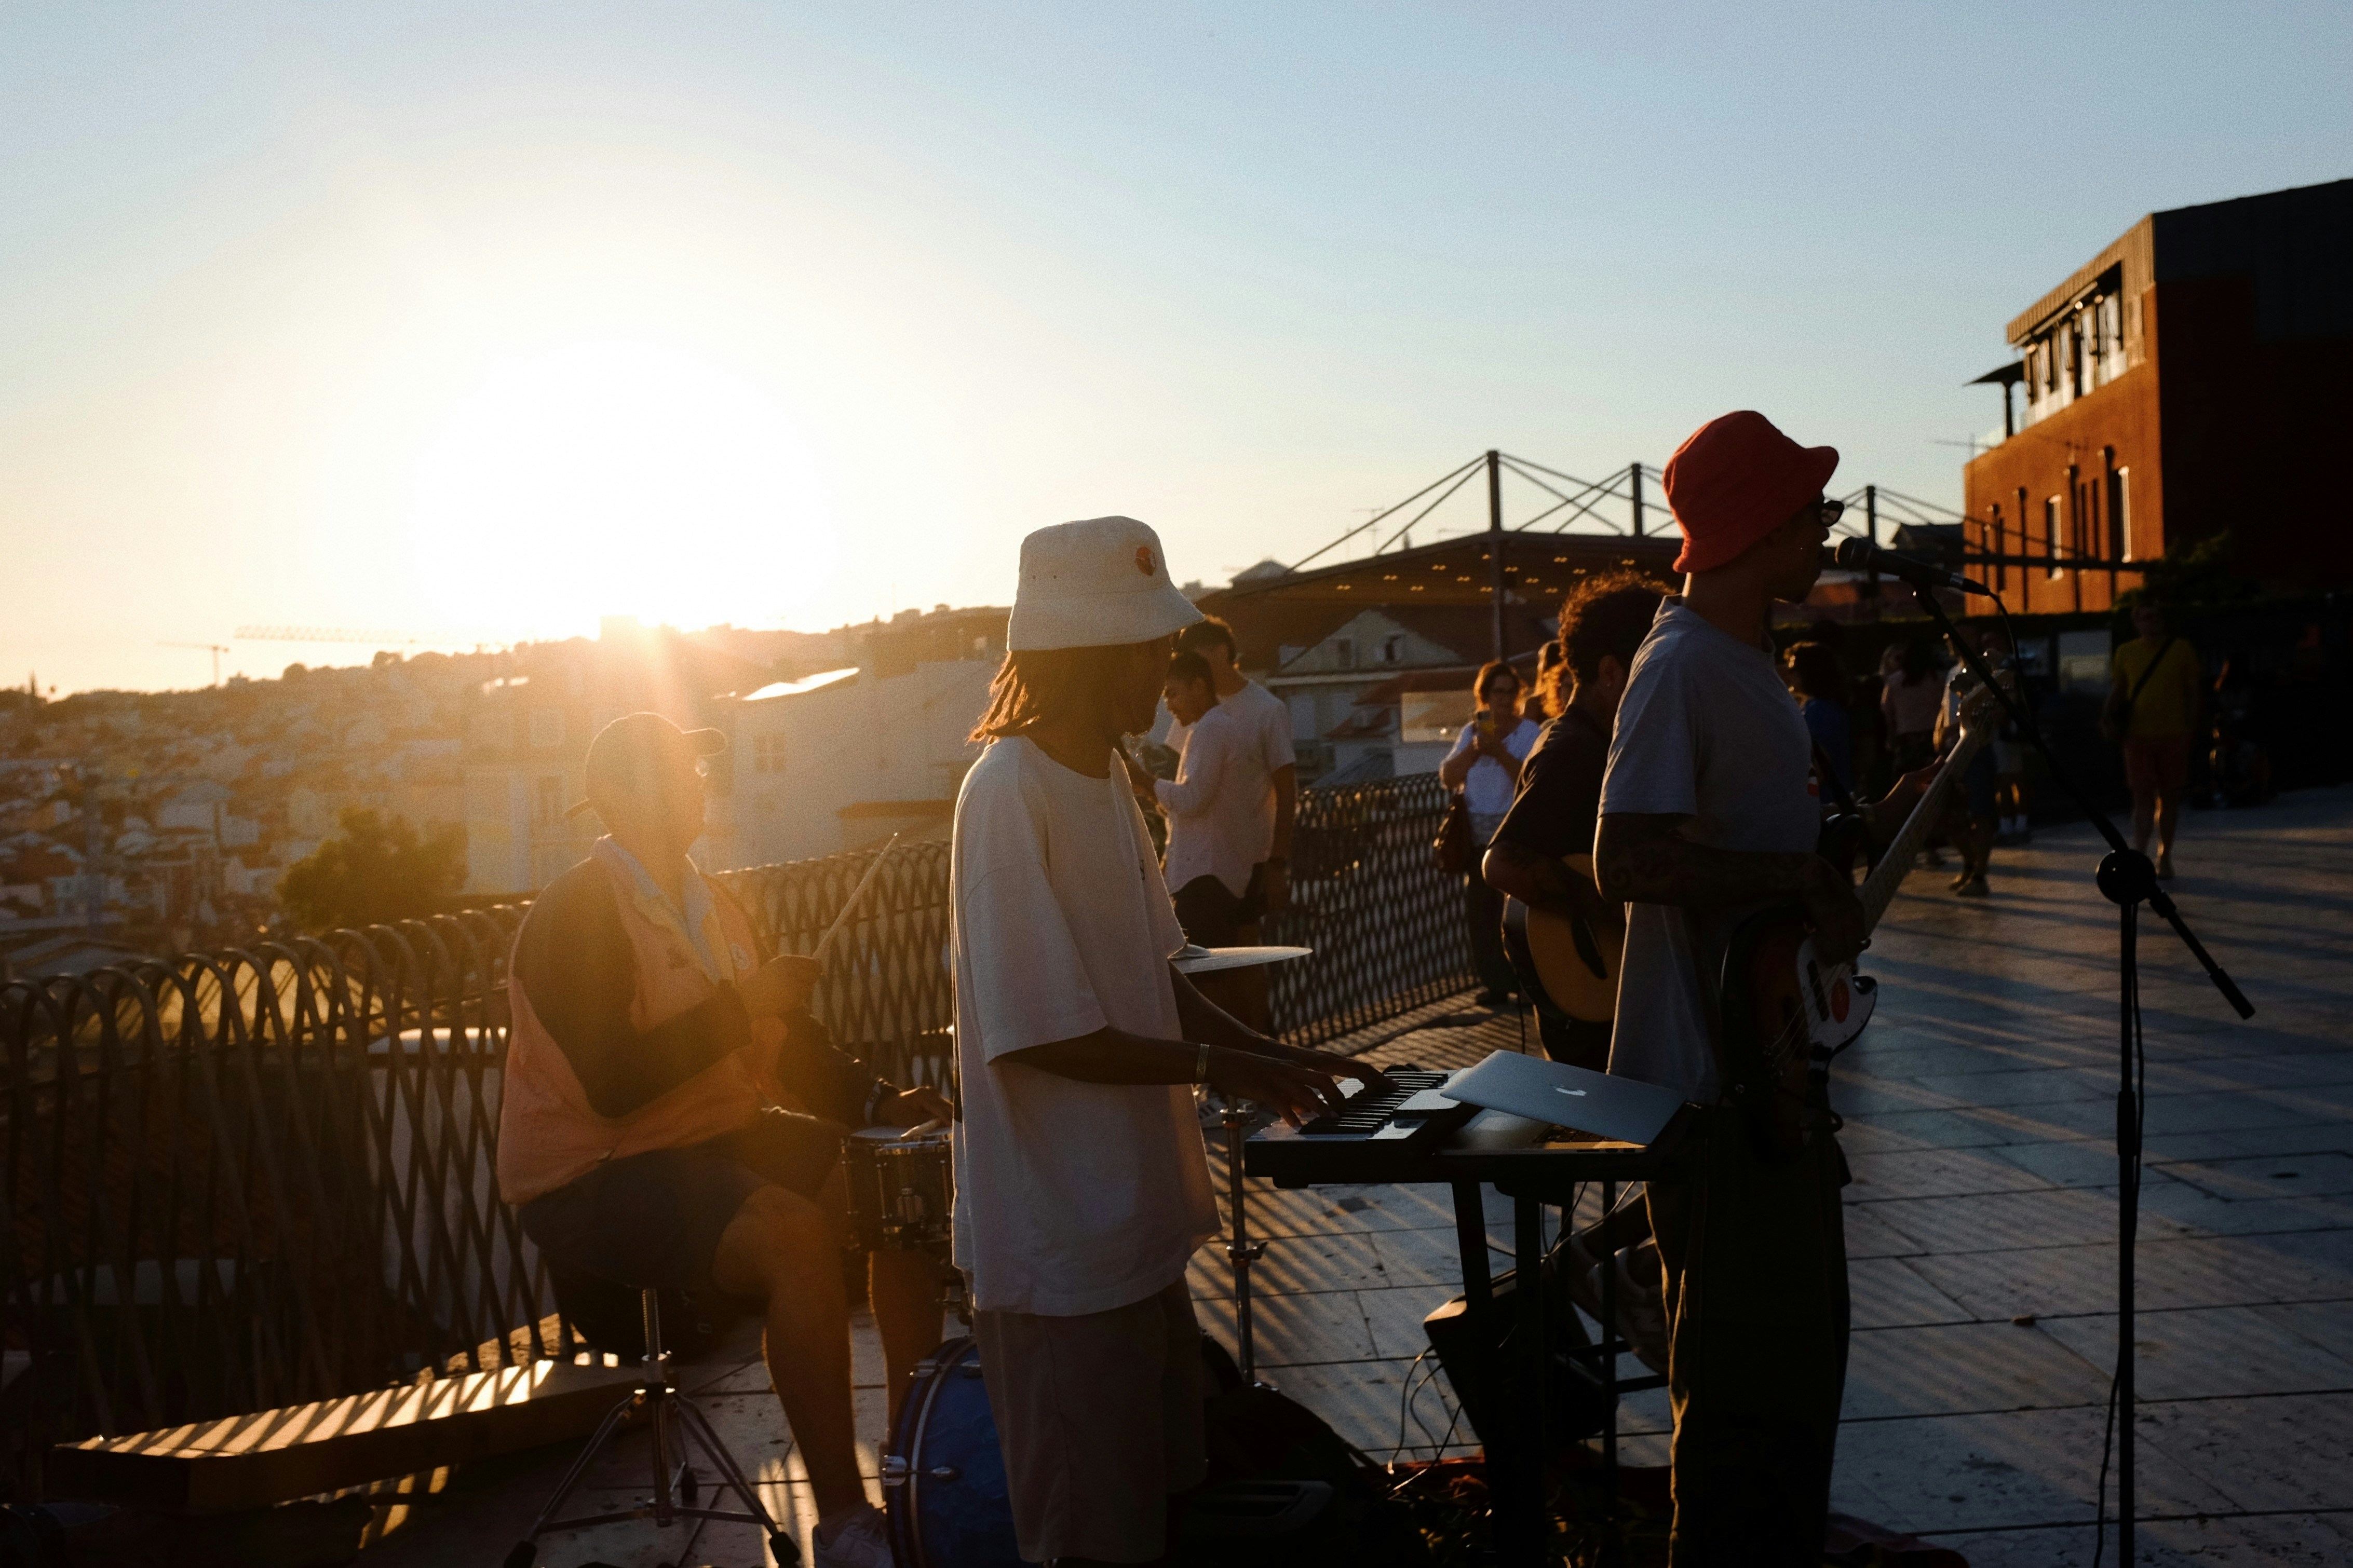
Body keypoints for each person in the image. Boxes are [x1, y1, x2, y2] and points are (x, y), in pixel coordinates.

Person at [953, 516, 1386, 1567]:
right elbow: (1039, 1034)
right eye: (1148, 645)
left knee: (1164, 1515)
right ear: (1093, 650)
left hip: (1134, 1234)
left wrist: (1270, 1055)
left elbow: (1162, 974)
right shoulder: (1006, 794)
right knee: (1092, 1540)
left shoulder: (1103, 780)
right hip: (1062, 1253)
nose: (1165, 663)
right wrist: (1219, 1064)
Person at [1593, 411, 1937, 1567]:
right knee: (1743, 1402)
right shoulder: (1679, 662)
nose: (1827, 535)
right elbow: (1623, 857)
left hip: (1772, 1080)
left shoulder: (1739, 665)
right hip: (1712, 1091)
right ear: (1761, 526)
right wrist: (1786, 870)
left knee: (1794, 1376)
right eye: (1815, 515)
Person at [496, 713, 955, 1568]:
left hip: (710, 1136)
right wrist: (745, 1003)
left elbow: (787, 1040)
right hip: (594, 1170)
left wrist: (882, 1096)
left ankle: (912, 1463)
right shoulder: (579, 912)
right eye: (678, 770)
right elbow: (613, 1083)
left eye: (697, 768)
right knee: (797, 1238)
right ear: (622, 794)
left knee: (896, 1187)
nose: (701, 782)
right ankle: (844, 1518)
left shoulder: (710, 899)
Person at [1481, 571, 1663, 1067]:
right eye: (1652, 669)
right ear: (1611, 672)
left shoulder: (1584, 739)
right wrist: (1613, 913)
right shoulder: (1572, 751)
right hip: (1590, 1007)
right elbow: (1501, 864)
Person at [1165, 615, 1299, 1027]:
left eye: (1198, 656)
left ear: (1222, 652)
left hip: (1248, 855)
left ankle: (1258, 1044)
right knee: (1227, 962)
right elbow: (1184, 775)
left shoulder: (1266, 710)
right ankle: (1256, 1052)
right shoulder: (1196, 710)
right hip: (1210, 857)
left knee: (1238, 960)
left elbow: (1287, 788)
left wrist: (1277, 862)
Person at [1438, 660, 1541, 1006]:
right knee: (1481, 914)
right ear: (1485, 695)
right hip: (1476, 837)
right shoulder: (1472, 732)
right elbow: (1449, 776)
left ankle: (1526, 983)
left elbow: (1530, 782)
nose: (1504, 698)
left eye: (1510, 691)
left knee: (1514, 915)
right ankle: (1496, 984)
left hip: (1512, 834)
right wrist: (1476, 748)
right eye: (1497, 691)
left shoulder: (1528, 732)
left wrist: (1500, 752)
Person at [1145, 650, 1260, 950]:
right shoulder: (1217, 727)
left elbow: (1194, 799)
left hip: (1206, 879)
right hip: (1216, 875)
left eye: (1172, 694)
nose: (1168, 705)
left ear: (1198, 686)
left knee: (1206, 977)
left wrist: (1144, 782)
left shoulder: (1211, 729)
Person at [2109, 600, 2202, 878]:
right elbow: (2119, 689)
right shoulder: (2126, 652)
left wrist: (2192, 727)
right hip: (2137, 735)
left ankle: (2165, 855)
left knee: (2169, 797)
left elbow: (2194, 690)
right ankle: (2140, 853)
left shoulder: (2180, 649)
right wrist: (2107, 716)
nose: (2150, 623)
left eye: (2154, 617)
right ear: (2136, 623)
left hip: (2173, 733)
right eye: (2144, 618)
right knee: (2141, 796)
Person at [1933, 625, 2003, 897]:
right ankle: (1970, 863)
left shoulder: (1983, 671)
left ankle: (1980, 872)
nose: (1948, 640)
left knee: (1981, 812)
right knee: (1950, 816)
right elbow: (1945, 707)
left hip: (1977, 750)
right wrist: (1939, 733)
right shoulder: (1953, 672)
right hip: (1952, 753)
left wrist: (1959, 729)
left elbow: (1989, 711)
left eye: (1953, 636)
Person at [1780, 640, 1853, 799]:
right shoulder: (1825, 708)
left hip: (1824, 803)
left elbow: (1815, 767)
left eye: (1794, 669)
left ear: (1810, 672)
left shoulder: (1820, 711)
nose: (1788, 673)